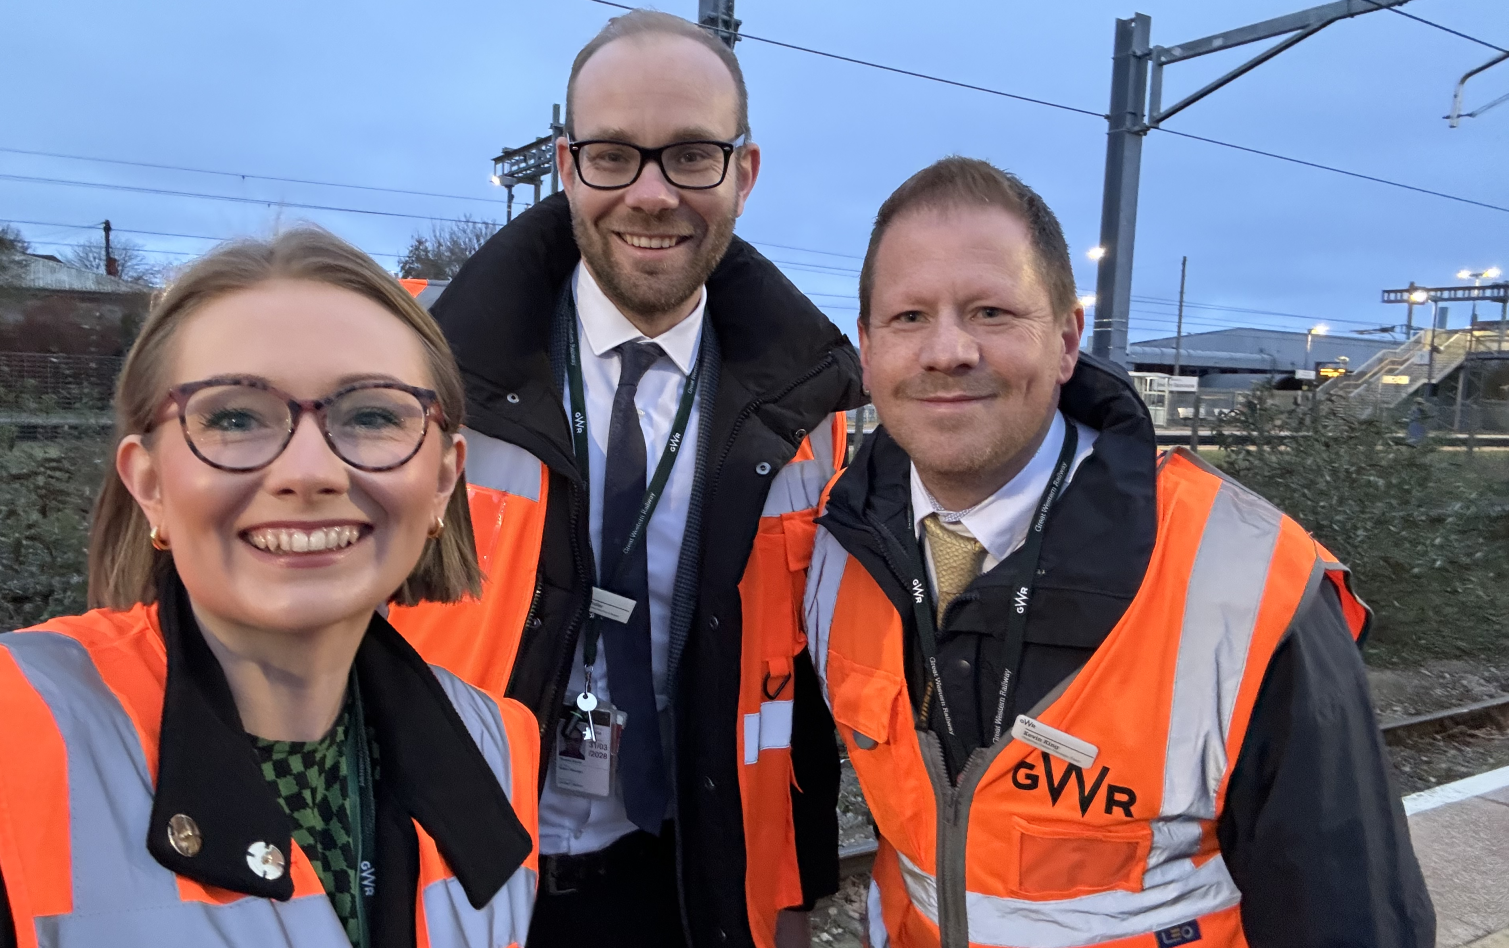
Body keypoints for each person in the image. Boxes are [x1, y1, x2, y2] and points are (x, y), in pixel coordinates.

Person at [803, 158, 1435, 948]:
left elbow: (1350, 919)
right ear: (867, 349)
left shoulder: (1245, 583)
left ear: (1067, 340)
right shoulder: (837, 554)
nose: (948, 350)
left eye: (991, 311)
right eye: (908, 318)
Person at [0, 229, 540, 947]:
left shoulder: (498, 747)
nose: (310, 471)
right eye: (235, 417)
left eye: (371, 415)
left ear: (443, 481)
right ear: (149, 484)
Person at [386, 10, 864, 948]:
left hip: (695, 880)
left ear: (744, 174)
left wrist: (796, 891)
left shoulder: (810, 407)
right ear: (567, 165)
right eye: (612, 155)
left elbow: (798, 683)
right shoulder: (421, 375)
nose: (651, 194)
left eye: (691, 155)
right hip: (463, 879)